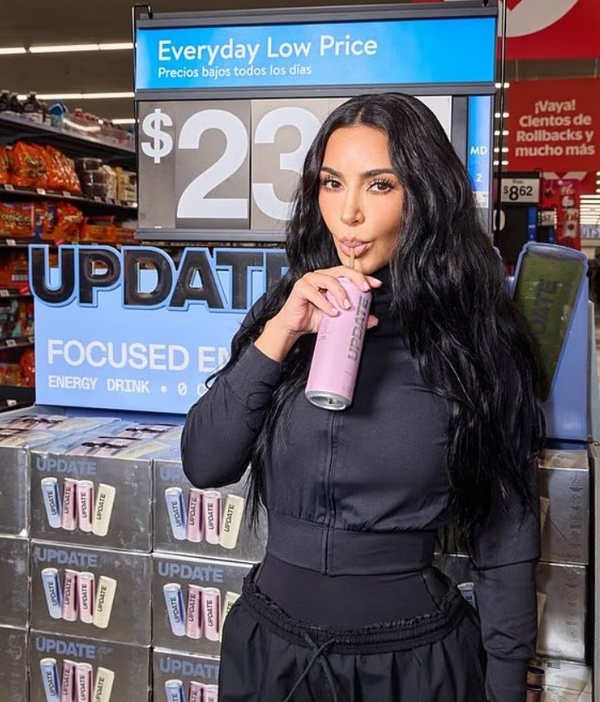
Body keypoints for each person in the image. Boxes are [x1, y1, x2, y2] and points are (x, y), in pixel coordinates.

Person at [181, 93, 544, 702]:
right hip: (271, 656)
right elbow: (204, 462)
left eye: (379, 185)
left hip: (410, 665)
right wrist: (281, 332)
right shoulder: (285, 313)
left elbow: (505, 535)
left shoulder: (475, 338)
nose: (348, 213)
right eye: (332, 183)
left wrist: (505, 684)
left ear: (425, 195)